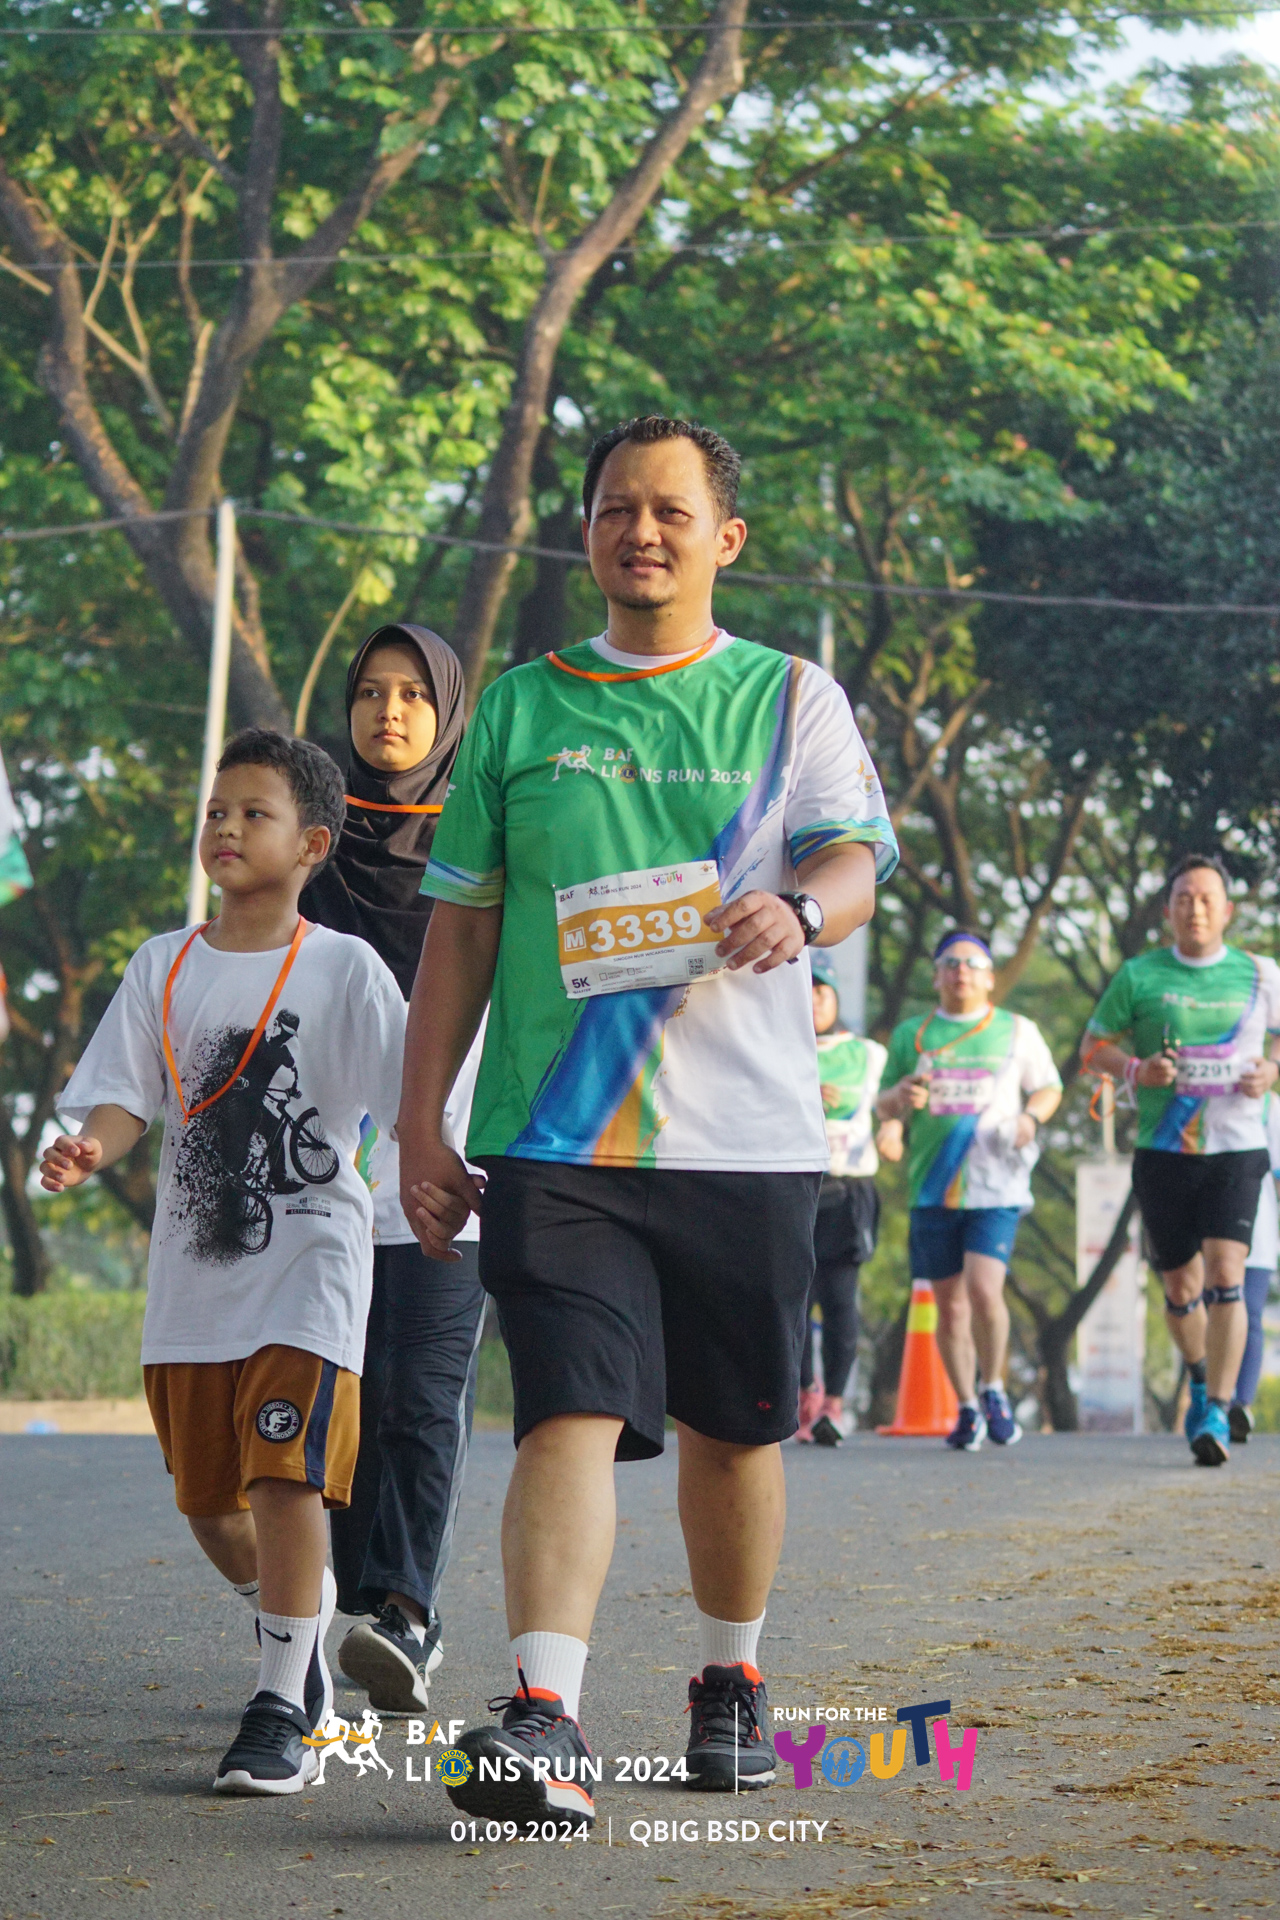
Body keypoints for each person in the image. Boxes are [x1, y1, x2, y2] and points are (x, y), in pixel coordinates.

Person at [396, 414, 897, 1826]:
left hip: (746, 1137)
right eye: (618, 507)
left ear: (723, 538)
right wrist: (421, 1124)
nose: (642, 531)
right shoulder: (519, 708)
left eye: (671, 511)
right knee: (567, 1408)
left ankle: (728, 1680)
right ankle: (542, 1713)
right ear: (587, 532)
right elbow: (459, 932)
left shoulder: (788, 697)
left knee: (733, 1431)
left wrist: (799, 912)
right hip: (557, 1135)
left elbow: (853, 862)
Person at [41, 730, 406, 1795]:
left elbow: (410, 1092)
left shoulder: (344, 966)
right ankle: (299, 1629)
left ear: (312, 845)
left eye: (254, 813)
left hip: (312, 1265)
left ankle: (281, 1705)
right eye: (215, 811)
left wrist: (442, 1185)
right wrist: (89, 1147)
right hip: (196, 1280)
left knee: (284, 1474)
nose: (227, 828)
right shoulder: (162, 964)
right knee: (210, 1506)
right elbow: (124, 1095)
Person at [302, 624, 487, 1713]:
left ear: (448, 710)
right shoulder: (310, 845)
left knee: (421, 1399)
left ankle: (404, 1615)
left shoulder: (486, 839)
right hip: (318, 1182)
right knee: (340, 1409)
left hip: (449, 1175)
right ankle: (332, 1610)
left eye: (414, 694)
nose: (389, 713)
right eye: (371, 692)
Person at [1085, 853, 1280, 1465]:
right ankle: (1199, 1376)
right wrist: (1136, 1069)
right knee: (1180, 1286)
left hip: (1236, 1147)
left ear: (1227, 910)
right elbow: (1093, 1047)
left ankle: (1218, 1409)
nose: (1195, 908)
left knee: (1226, 1275)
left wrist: (1271, 1069)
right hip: (1164, 1148)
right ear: (1168, 911)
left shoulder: (1261, 974)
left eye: (1206, 898)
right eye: (1183, 899)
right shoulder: (1140, 975)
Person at [876, 929, 1062, 1451]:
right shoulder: (913, 1034)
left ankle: (993, 1389)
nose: (962, 972)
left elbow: (1049, 1088)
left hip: (995, 1184)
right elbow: (883, 1104)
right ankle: (965, 1407)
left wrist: (1029, 1118)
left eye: (973, 964)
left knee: (984, 1289)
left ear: (990, 978)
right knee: (950, 1306)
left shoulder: (1016, 1030)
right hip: (932, 1186)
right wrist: (898, 1099)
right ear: (936, 975)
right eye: (951, 963)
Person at [797, 955, 886, 1445]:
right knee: (795, 1298)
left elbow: (889, 1103)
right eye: (804, 988)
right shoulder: (775, 1048)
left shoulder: (868, 1054)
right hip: (793, 1185)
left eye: (821, 990)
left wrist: (895, 1125)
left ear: (835, 997)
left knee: (839, 1299)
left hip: (848, 1189)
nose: (812, 999)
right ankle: (802, 1397)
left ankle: (834, 1403)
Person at [1231, 1091, 1280, 1442]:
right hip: (1208, 1230)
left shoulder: (1269, 1105)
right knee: (1210, 1309)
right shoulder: (1198, 1091)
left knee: (1249, 1312)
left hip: (1258, 1233)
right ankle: (1212, 1399)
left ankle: (1240, 1405)